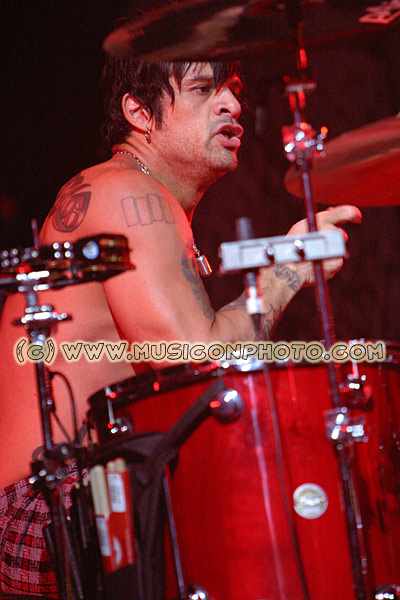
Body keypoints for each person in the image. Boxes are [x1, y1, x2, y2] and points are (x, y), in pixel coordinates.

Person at [0, 56, 361, 597]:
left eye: (233, 90)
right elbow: (198, 361)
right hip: (41, 510)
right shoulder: (127, 191)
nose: (232, 105)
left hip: (90, 489)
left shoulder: (149, 198)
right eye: (202, 89)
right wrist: (287, 272)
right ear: (139, 113)